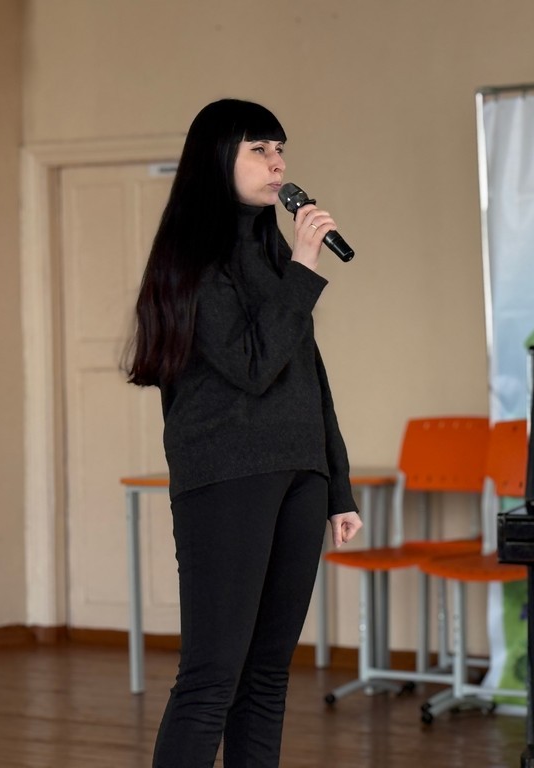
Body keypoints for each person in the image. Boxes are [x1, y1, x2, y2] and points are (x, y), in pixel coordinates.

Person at [124, 98, 363, 768]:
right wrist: (305, 268)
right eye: (259, 149)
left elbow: (308, 376)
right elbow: (253, 367)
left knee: (266, 678)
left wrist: (337, 484)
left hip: (299, 475)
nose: (277, 163)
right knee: (211, 680)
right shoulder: (192, 262)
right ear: (216, 159)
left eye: (280, 149)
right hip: (227, 477)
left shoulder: (271, 254)